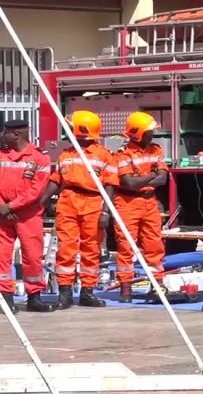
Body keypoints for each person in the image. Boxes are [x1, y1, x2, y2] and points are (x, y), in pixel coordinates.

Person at [39, 111, 116, 309]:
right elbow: (57, 181)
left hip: (93, 202)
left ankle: (87, 292)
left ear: (80, 130)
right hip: (68, 200)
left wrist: (106, 211)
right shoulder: (67, 154)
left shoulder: (103, 155)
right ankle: (65, 292)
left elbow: (110, 184)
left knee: (91, 249)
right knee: (66, 248)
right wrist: (41, 201)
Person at [0, 119, 57, 313]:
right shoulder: (1, 154)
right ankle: (5, 298)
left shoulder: (40, 158)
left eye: (5, 132)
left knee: (32, 257)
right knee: (2, 256)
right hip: (2, 215)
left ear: (16, 134)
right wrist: (2, 206)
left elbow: (36, 190)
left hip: (28, 215)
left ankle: (35, 297)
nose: (2, 136)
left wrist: (11, 206)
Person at [113, 112, 168, 302]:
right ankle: (126, 287)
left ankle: (157, 284)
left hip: (149, 201)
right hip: (127, 202)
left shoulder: (156, 150)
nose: (152, 135)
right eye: (148, 132)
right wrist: (152, 176)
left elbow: (163, 178)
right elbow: (129, 183)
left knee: (154, 243)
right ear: (137, 133)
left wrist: (145, 179)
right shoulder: (122, 154)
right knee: (126, 245)